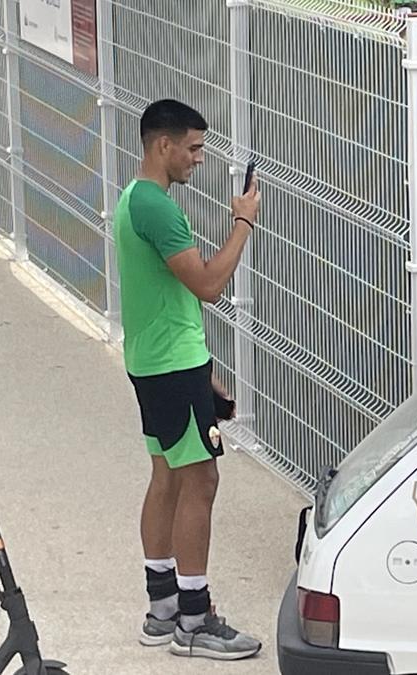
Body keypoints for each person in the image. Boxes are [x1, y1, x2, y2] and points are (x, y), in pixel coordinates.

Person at [116, 99, 261, 660]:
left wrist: (203, 377)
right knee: (200, 483)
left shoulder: (135, 197)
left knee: (167, 479)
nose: (200, 158)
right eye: (194, 148)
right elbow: (208, 285)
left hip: (159, 363)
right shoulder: (156, 208)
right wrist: (243, 221)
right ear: (163, 146)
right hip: (172, 366)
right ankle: (194, 621)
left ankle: (162, 609)